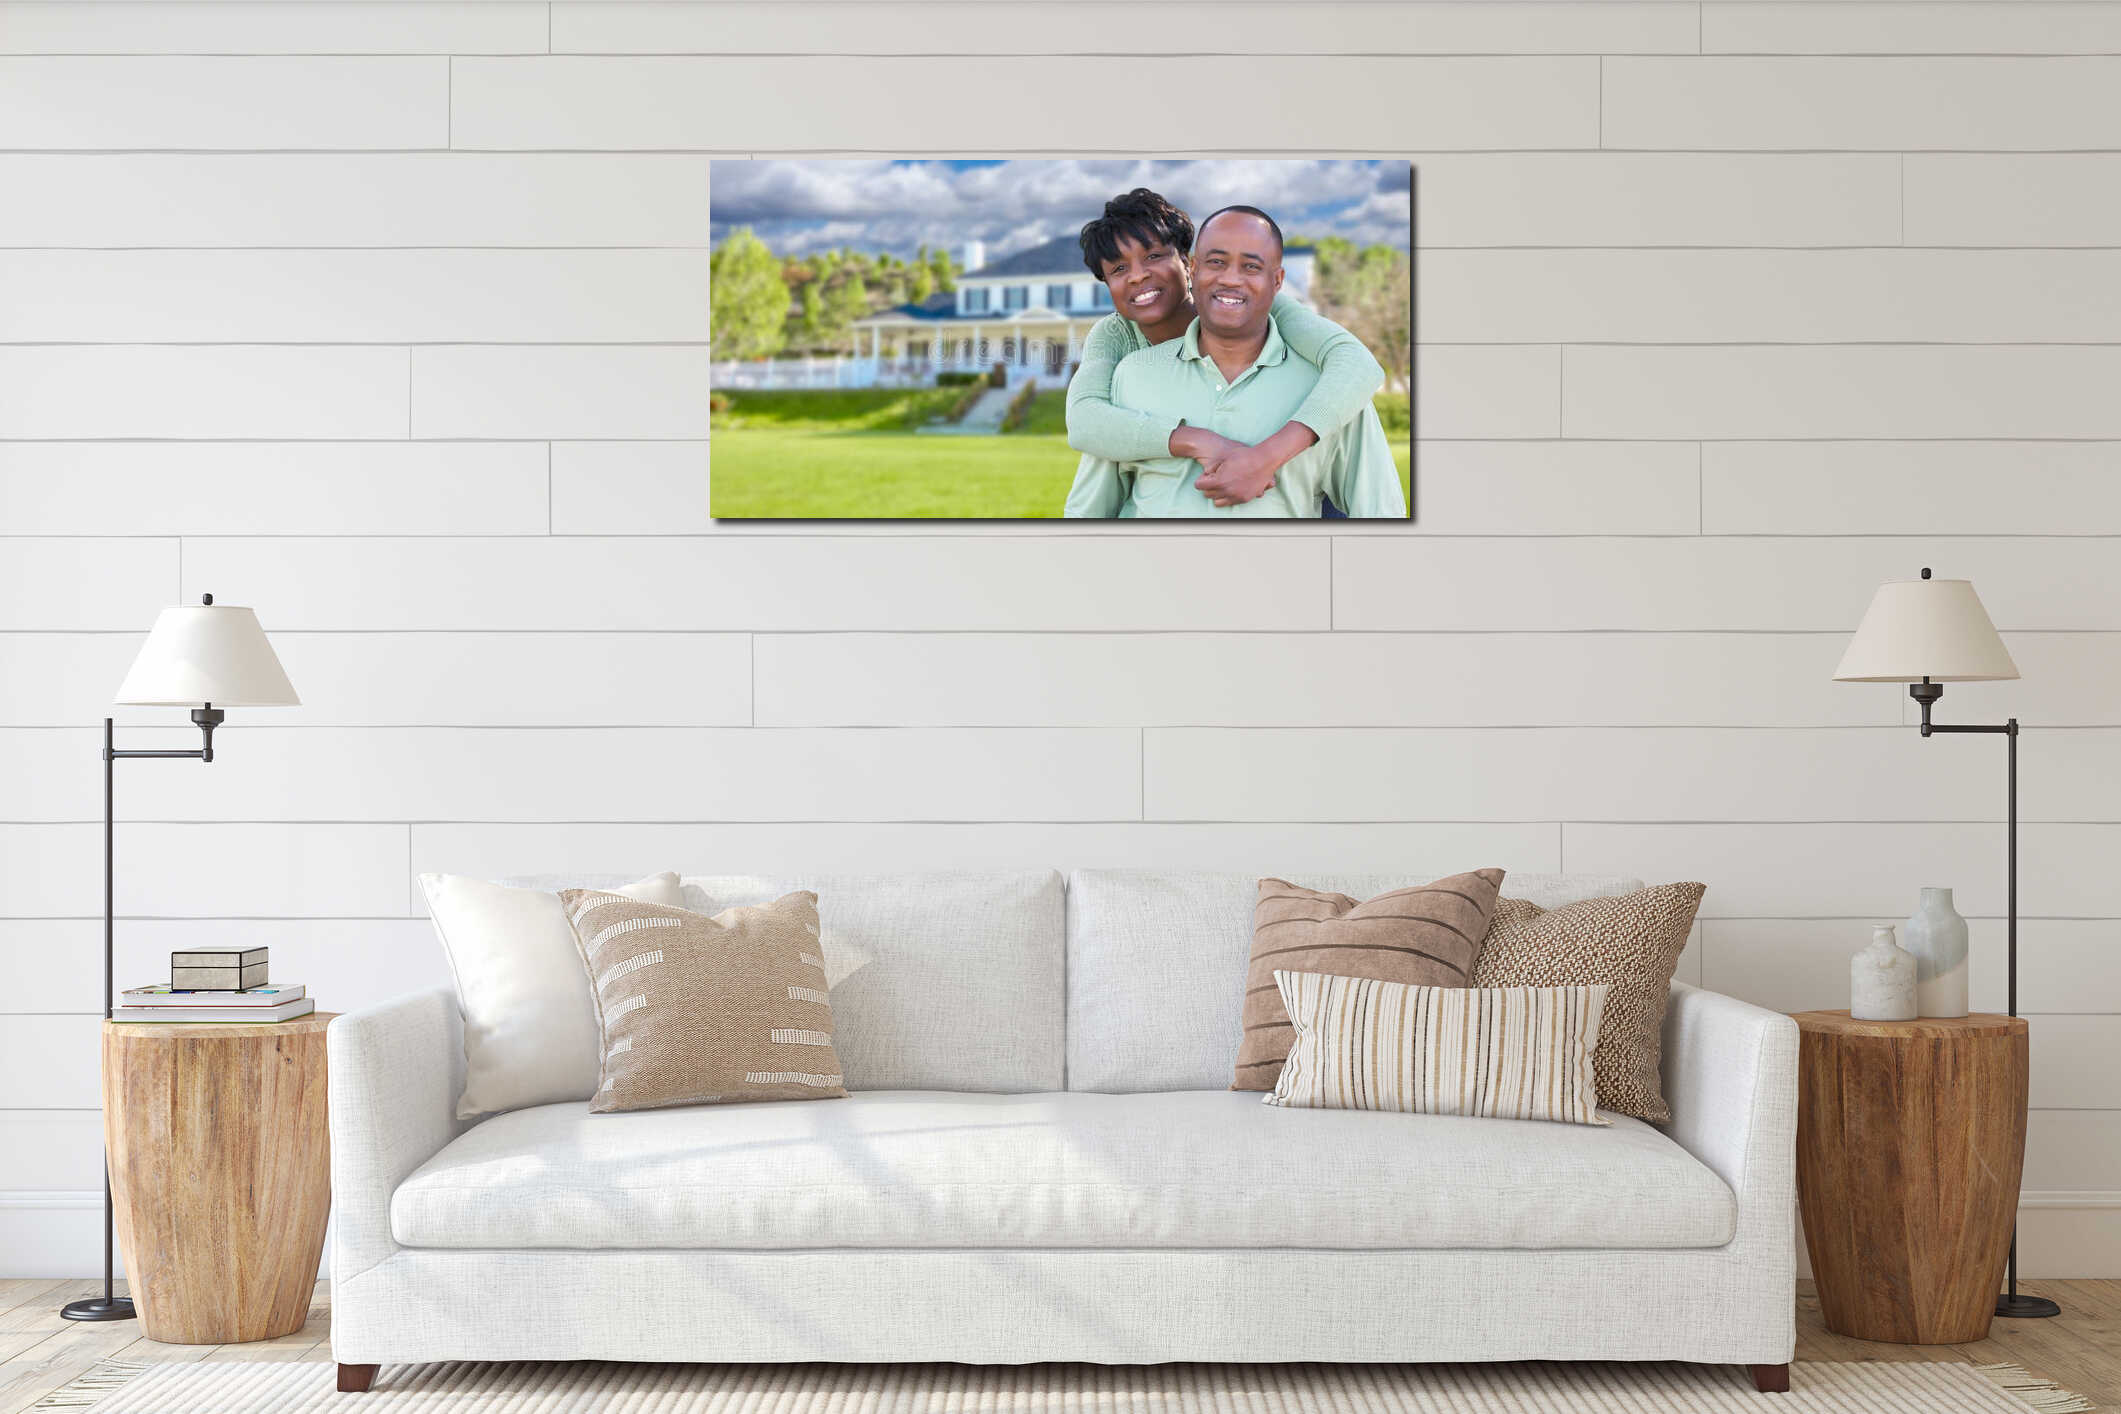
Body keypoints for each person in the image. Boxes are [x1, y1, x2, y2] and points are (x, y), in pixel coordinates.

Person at [1064, 206, 1404, 519]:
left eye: (1153, 256)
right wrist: (1197, 440)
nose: (1138, 276)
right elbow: (1085, 421)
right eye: (1119, 268)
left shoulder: (1269, 310)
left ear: (1186, 263)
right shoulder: (1122, 354)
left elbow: (1356, 363)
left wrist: (1264, 459)